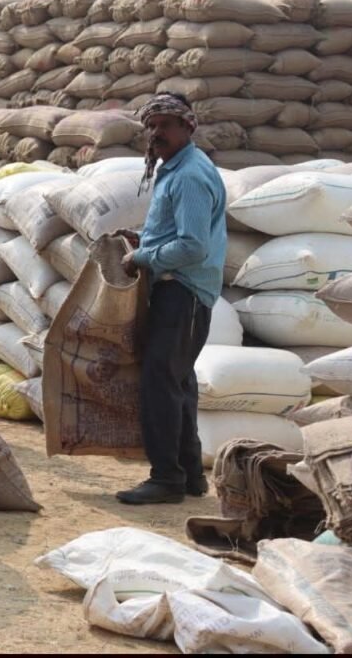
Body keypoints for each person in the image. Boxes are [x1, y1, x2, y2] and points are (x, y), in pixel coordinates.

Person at [116, 92, 227, 505]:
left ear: (188, 126)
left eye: (165, 125)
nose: (157, 133)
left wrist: (142, 256)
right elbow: (181, 235)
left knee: (159, 383)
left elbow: (194, 246)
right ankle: (190, 475)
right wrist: (145, 240)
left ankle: (166, 478)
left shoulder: (190, 176)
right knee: (178, 382)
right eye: (152, 125)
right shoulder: (176, 169)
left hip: (183, 293)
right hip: (180, 291)